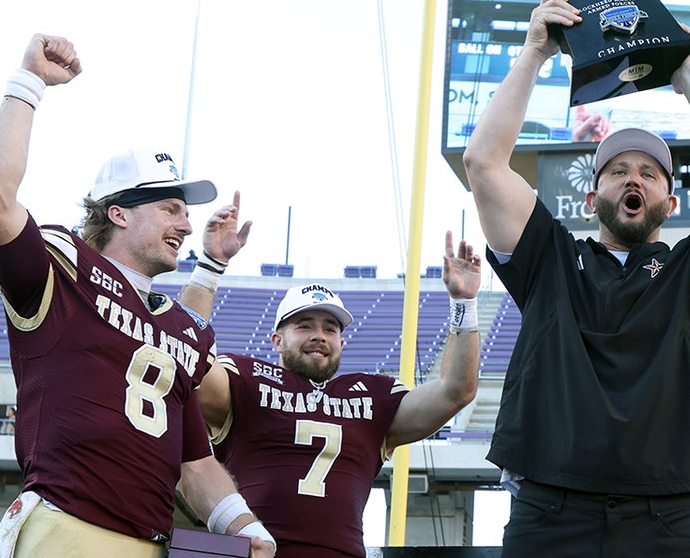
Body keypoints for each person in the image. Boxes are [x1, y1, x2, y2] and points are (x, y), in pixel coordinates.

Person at [462, 0, 690, 557]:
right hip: (548, 506)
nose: (635, 179)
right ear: (591, 197)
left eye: (651, 173)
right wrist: (534, 53)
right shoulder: (549, 258)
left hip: (666, 512)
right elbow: (483, 162)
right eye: (619, 170)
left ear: (671, 202)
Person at [0, 34, 274, 558]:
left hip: (152, 543)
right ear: (119, 212)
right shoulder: (64, 273)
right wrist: (30, 82)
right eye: (171, 208)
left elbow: (196, 465)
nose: (185, 222)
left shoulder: (179, 329)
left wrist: (246, 527)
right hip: (67, 525)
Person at [184, 231, 482, 557]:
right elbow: (183, 358)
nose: (319, 336)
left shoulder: (373, 396)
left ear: (342, 342)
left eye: (330, 328)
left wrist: (464, 303)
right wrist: (211, 265)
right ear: (277, 340)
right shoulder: (246, 380)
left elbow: (456, 391)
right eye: (304, 325)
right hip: (252, 552)